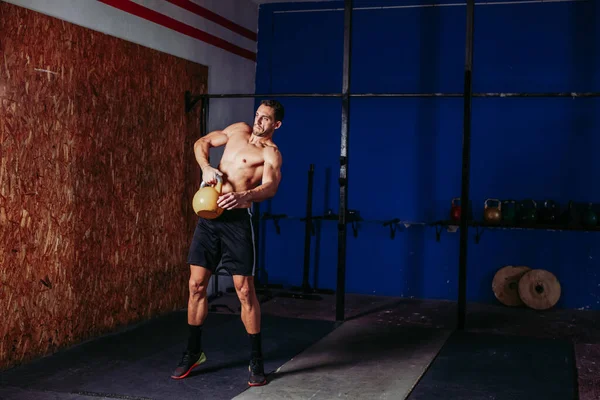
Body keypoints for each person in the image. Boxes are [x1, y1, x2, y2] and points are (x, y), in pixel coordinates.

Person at [171, 100, 284, 387]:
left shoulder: (271, 153)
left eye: (266, 119)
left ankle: (256, 359)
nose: (258, 121)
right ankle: (193, 351)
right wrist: (206, 168)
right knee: (196, 285)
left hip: (236, 222)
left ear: (276, 125)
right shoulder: (237, 131)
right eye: (258, 115)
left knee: (244, 290)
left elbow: (270, 187)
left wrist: (244, 196)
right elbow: (202, 142)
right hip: (209, 219)